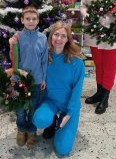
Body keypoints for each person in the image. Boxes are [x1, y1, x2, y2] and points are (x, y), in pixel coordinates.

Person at [33, 21, 85, 156]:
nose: (59, 39)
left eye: (63, 36)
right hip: (50, 101)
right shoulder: (45, 56)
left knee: (63, 150)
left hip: (69, 105)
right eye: (56, 34)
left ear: (68, 39)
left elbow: (77, 91)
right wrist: (13, 43)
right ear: (51, 36)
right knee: (40, 119)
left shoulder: (76, 62)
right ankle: (52, 121)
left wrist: (70, 113)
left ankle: (62, 123)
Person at [9, 6, 48, 149]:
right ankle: (21, 129)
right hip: (20, 80)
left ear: (38, 20)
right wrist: (11, 46)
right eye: (27, 19)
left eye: (34, 19)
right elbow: (13, 58)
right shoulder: (18, 37)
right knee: (20, 108)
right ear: (22, 20)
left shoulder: (43, 38)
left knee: (33, 108)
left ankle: (31, 131)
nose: (31, 21)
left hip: (36, 80)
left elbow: (44, 60)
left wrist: (43, 78)